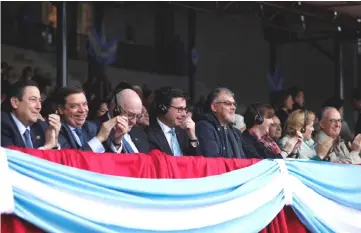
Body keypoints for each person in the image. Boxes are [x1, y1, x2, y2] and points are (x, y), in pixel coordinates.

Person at [56, 86, 125, 153]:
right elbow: (71, 160)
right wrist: (99, 138)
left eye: (84, 104)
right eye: (74, 106)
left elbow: (108, 159)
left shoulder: (92, 127)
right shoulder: (55, 129)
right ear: (61, 109)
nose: (82, 110)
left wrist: (117, 140)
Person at [1, 80, 61, 149]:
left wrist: (54, 140)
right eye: (33, 100)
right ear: (15, 102)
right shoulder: (2, 125)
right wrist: (47, 147)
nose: (39, 107)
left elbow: (54, 154)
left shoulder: (40, 125)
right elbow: (13, 158)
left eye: (40, 101)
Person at [93, 88, 150, 153]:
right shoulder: (94, 129)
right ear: (116, 109)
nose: (134, 122)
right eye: (130, 115)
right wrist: (116, 143)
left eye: (137, 116)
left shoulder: (139, 132)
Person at [146, 86, 199, 156]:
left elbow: (197, 162)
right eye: (180, 109)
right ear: (163, 108)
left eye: (185, 109)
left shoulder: (185, 131)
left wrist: (193, 138)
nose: (184, 114)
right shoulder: (148, 134)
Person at [196, 87, 246, 158]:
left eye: (234, 104)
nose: (233, 107)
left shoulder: (235, 132)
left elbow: (243, 159)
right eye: (228, 103)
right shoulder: (204, 127)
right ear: (214, 107)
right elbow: (213, 160)